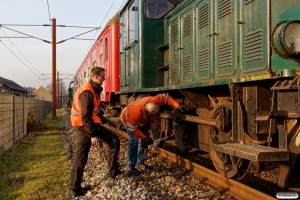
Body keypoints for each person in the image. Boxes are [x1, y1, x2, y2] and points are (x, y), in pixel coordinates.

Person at [70, 67, 120, 197]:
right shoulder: (88, 92)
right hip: (85, 125)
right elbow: (86, 117)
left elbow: (94, 111)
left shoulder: (92, 89)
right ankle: (113, 171)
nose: (105, 78)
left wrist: (103, 119)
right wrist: (93, 135)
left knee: (81, 156)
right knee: (114, 140)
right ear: (96, 77)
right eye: (103, 76)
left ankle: (75, 188)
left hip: (83, 125)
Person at [120, 93, 180, 176]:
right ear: (149, 113)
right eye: (155, 113)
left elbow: (166, 97)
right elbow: (133, 129)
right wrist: (145, 137)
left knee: (144, 140)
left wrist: (177, 107)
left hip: (141, 119)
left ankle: (140, 162)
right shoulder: (134, 115)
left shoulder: (155, 100)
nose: (157, 113)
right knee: (134, 140)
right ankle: (130, 167)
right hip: (127, 119)